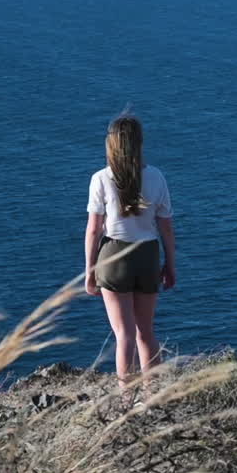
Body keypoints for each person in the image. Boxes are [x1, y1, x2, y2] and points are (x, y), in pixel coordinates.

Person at [84, 113, 177, 394]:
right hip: (147, 254)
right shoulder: (156, 177)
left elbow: (93, 231)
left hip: (113, 256)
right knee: (145, 332)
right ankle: (154, 398)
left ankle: (127, 402)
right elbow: (167, 228)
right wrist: (170, 264)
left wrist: (89, 272)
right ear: (140, 143)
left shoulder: (101, 178)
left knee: (123, 335)